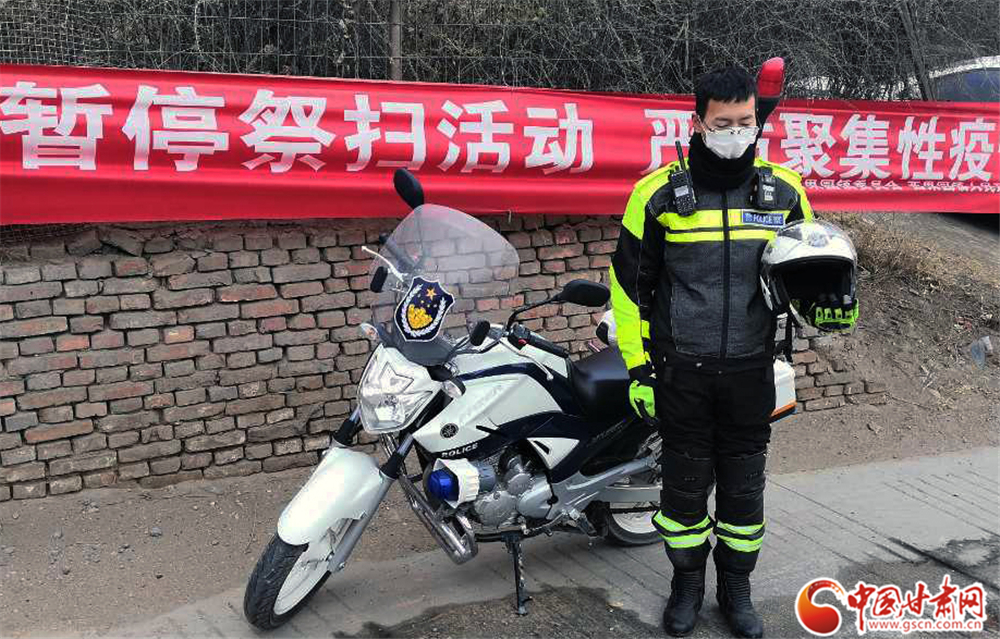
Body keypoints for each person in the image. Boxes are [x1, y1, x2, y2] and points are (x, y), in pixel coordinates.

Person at [608, 64, 854, 638]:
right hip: (681, 373)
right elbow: (629, 291)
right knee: (683, 494)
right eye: (723, 123)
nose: (736, 132)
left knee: (744, 494)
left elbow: (809, 271)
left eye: (746, 121)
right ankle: (686, 587)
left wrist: (831, 302)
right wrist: (640, 370)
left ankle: (736, 591)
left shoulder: (784, 192)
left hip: (750, 370)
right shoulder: (656, 194)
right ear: (698, 122)